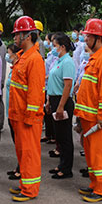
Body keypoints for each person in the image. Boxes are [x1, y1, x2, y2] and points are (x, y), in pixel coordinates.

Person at [74, 18, 102, 202]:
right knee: (92, 154)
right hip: (89, 116)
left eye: (88, 36)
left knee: (100, 155)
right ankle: (95, 184)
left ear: (98, 38)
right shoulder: (97, 57)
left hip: (98, 118)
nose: (85, 40)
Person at [8, 16, 45, 202]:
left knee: (29, 153)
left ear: (28, 36)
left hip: (27, 117)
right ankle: (25, 184)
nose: (15, 38)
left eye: (17, 35)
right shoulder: (24, 57)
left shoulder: (34, 59)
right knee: (22, 153)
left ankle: (30, 189)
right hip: (19, 115)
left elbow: (35, 93)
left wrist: (30, 117)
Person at [45, 32, 76, 180]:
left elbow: (68, 85)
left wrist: (61, 106)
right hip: (55, 99)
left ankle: (66, 168)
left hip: (63, 102)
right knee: (59, 136)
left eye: (55, 45)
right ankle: (61, 164)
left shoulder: (67, 62)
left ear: (63, 47)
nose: (53, 48)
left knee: (65, 137)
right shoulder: (58, 60)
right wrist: (49, 101)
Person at [5, 43, 22, 181]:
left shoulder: (20, 67)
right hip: (11, 110)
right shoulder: (14, 68)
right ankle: (19, 166)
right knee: (16, 141)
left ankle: (21, 168)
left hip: (18, 111)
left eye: (9, 53)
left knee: (20, 142)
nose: (7, 56)